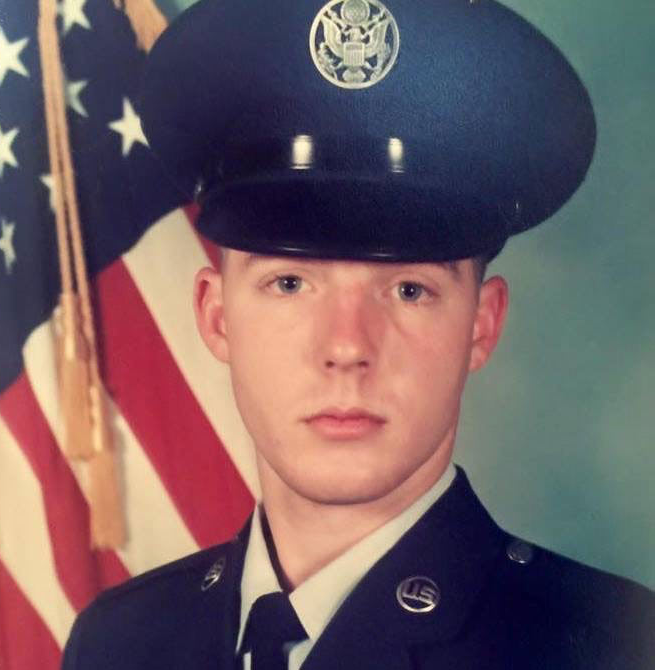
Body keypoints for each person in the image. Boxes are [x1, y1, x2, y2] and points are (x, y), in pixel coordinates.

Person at [62, 0, 654, 668]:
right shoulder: (116, 645)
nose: (347, 347)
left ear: (482, 326)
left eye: (409, 290)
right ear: (216, 316)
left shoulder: (614, 646)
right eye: (289, 284)